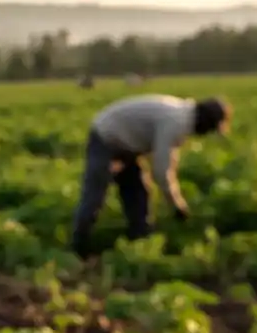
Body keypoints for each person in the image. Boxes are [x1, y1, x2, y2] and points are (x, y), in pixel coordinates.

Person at [69, 93, 232, 256]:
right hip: (106, 136)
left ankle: (139, 241)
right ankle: (79, 244)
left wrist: (175, 201)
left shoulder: (183, 116)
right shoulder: (177, 121)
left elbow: (169, 159)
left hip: (127, 144)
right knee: (95, 193)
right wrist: (177, 205)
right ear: (205, 121)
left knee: (138, 192)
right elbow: (161, 170)